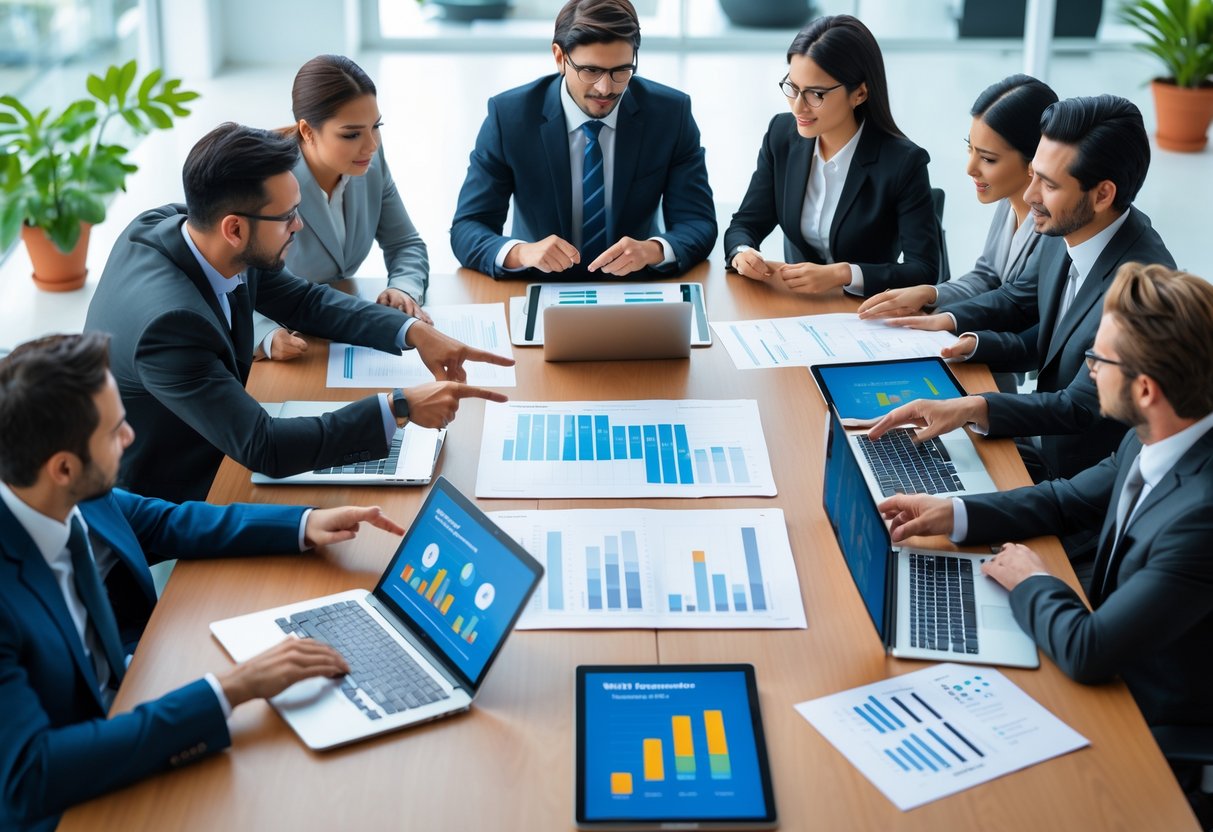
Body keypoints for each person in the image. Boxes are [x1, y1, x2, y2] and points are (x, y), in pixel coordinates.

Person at [0, 333, 407, 831]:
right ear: (62, 468)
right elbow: (29, 776)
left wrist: (304, 524)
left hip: (131, 708)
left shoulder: (64, 491)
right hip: (72, 801)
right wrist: (230, 689)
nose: (129, 437)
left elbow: (164, 524)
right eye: (115, 431)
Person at [876, 263, 1213, 814]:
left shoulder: (1200, 515)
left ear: (1146, 389)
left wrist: (1033, 580)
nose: (1087, 369)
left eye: (1098, 360)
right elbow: (1067, 500)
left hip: (1143, 717)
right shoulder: (1157, 435)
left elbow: (1090, 651)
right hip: (1102, 641)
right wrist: (953, 513)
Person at [84, 122, 513, 504]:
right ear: (234, 228)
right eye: (288, 216)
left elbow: (304, 301)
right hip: (179, 496)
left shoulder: (182, 226)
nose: (299, 226)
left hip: (223, 442)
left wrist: (413, 331)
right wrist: (399, 406)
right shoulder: (171, 327)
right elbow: (265, 447)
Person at [869, 95, 1174, 483]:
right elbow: (1024, 306)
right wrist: (953, 328)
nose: (1030, 198)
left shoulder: (1140, 288)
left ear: (1102, 195)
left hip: (1074, 482)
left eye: (1048, 184)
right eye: (1034, 176)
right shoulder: (1068, 222)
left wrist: (973, 407)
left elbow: (1078, 407)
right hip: (1035, 440)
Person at [450, 0, 716, 279]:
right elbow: (468, 227)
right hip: (538, 286)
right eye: (590, 71)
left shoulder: (670, 114)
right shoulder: (509, 118)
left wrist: (654, 250)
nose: (606, 88)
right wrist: (521, 253)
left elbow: (697, 222)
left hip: (636, 287)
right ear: (559, 57)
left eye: (621, 70)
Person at [723, 14, 939, 298]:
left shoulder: (903, 163)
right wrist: (742, 253)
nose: (798, 107)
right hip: (797, 308)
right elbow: (745, 224)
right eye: (793, 87)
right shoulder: (781, 135)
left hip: (865, 313)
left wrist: (843, 273)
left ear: (859, 93)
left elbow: (923, 270)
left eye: (816, 94)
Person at [256, 54, 435, 363]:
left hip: (339, 327)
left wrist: (403, 290)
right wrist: (263, 335)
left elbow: (404, 243)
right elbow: (225, 277)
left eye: (375, 126)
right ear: (308, 131)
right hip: (291, 336)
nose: (371, 145)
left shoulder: (369, 164)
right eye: (351, 134)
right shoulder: (265, 178)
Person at [858, 74, 1058, 322]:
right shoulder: (1009, 203)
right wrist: (930, 294)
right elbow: (987, 277)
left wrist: (945, 317)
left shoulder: (1056, 227)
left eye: (988, 158)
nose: (970, 168)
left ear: (1035, 159)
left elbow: (1014, 303)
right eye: (970, 148)